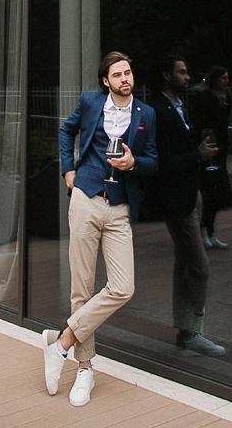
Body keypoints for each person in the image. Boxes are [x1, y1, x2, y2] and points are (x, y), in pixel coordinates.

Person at [42, 51, 157, 407]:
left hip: (119, 208)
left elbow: (153, 161)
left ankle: (61, 342)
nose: (125, 78)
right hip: (86, 199)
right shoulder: (91, 102)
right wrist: (68, 172)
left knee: (123, 286)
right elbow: (66, 131)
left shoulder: (146, 114)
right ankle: (85, 370)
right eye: (118, 75)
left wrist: (135, 162)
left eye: (128, 72)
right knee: (82, 287)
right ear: (106, 81)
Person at [151, 54, 225, 357]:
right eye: (181, 72)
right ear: (167, 75)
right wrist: (198, 155)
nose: (187, 77)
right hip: (176, 201)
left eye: (187, 72)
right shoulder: (158, 109)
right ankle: (193, 330)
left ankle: (185, 333)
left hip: (189, 194)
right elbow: (164, 161)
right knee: (200, 268)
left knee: (185, 266)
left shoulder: (183, 107)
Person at [189, 65, 232, 249]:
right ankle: (204, 230)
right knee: (208, 190)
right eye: (223, 78)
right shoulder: (202, 98)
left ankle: (210, 230)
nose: (226, 82)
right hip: (207, 145)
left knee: (216, 190)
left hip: (220, 146)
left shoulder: (226, 98)